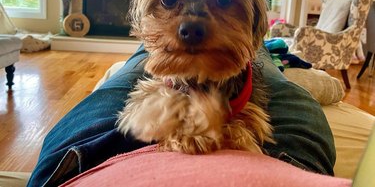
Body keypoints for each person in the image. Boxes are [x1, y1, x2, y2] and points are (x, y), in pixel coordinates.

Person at [27, 45, 335, 186]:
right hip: (290, 160)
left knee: (138, 64)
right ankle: (258, 48)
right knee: (265, 67)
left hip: (82, 160)